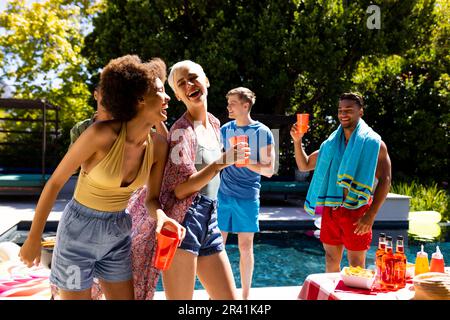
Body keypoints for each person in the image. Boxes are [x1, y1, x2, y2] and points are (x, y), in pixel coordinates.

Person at [19, 55, 185, 300]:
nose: (168, 97)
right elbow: (54, 183)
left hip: (117, 233)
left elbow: (152, 199)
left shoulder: (158, 146)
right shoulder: (99, 135)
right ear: (139, 99)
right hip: (77, 236)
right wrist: (34, 238)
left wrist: (161, 218)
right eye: (161, 91)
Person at [158, 60, 250, 300]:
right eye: (181, 84)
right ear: (178, 96)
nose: (189, 85)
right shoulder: (181, 131)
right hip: (184, 220)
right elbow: (179, 191)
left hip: (209, 217)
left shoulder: (215, 123)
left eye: (193, 77)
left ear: (206, 81)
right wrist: (223, 161)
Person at [290, 92, 391, 272]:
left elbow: (386, 180)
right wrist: (297, 142)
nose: (343, 114)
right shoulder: (330, 145)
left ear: (361, 112)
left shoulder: (374, 143)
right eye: (340, 110)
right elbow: (304, 165)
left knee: (356, 265)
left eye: (349, 110)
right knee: (330, 259)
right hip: (332, 209)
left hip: (357, 210)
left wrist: (371, 215)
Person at [217, 87, 275, 299]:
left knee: (245, 246)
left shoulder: (262, 132)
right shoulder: (224, 130)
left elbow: (269, 170)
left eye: (232, 102)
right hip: (223, 196)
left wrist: (246, 161)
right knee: (217, 244)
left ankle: (245, 296)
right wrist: (226, 158)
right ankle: (216, 292)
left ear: (245, 105)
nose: (228, 106)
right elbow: (214, 163)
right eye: (228, 102)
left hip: (248, 197)